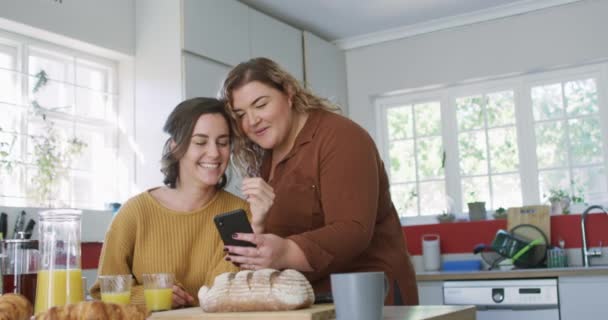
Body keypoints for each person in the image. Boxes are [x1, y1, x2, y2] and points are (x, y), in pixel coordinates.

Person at [220, 57, 419, 305]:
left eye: (260, 104)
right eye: (240, 114)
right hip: (312, 301)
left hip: (369, 298)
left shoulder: (341, 137)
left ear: (289, 93)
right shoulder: (266, 159)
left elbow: (352, 230)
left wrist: (284, 252)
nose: (251, 121)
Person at [90, 97, 274, 308]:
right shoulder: (134, 213)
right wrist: (152, 297)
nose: (214, 153)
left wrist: (256, 225)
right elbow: (102, 295)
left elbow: (231, 294)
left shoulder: (242, 212)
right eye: (200, 142)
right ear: (175, 147)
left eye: (223, 143)